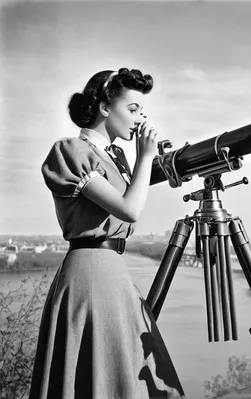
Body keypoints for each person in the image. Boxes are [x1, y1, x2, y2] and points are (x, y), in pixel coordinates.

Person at [29, 68, 185, 399]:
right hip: (91, 273)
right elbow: (128, 209)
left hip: (112, 272)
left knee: (126, 373)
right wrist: (144, 157)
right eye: (132, 109)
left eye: (142, 111)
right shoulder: (73, 150)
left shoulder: (113, 160)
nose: (140, 118)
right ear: (103, 107)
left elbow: (130, 203)